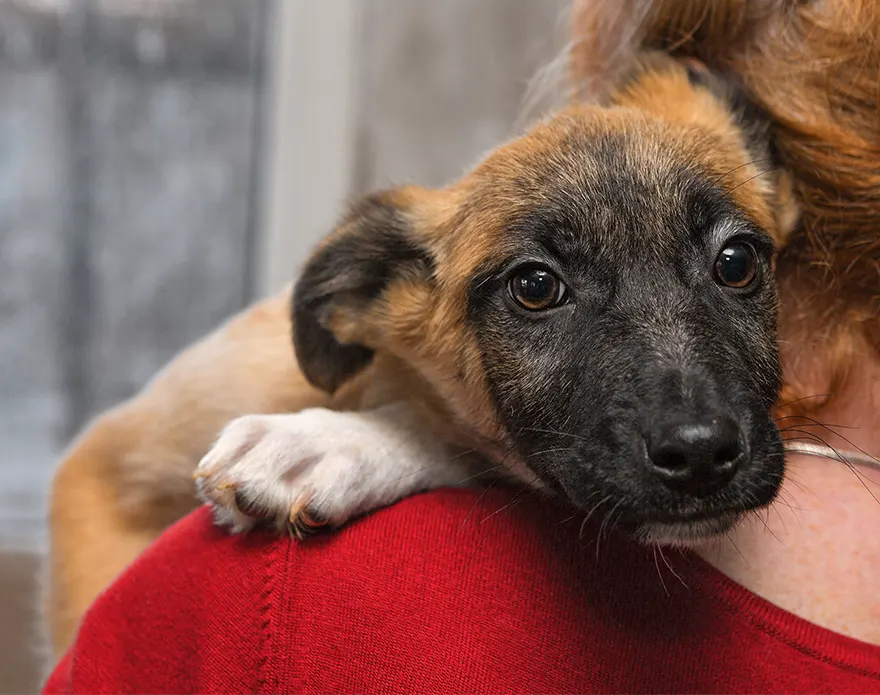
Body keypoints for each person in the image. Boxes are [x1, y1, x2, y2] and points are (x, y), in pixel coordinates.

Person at [44, 0, 880, 692]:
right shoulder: (274, 398)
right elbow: (102, 487)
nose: (696, 436)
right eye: (540, 289)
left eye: (731, 264)